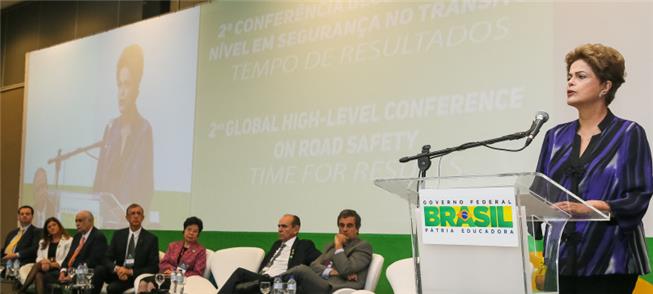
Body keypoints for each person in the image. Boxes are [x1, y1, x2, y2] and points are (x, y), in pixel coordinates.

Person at [536, 43, 653, 294]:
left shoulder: (629, 133)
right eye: (569, 77)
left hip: (612, 259)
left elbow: (639, 196)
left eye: (580, 76)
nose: (570, 83)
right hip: (561, 259)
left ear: (605, 86)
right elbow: (540, 192)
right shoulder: (554, 137)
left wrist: (595, 207)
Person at [93, 44, 153, 220]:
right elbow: (98, 182)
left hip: (128, 222)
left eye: (127, 84)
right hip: (104, 220)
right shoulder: (110, 128)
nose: (122, 92)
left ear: (137, 89)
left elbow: (146, 186)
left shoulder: (144, 130)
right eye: (119, 85)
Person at [218, 214, 321, 293]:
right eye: (279, 226)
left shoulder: (304, 245)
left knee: (240, 273)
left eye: (284, 226)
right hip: (264, 278)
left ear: (296, 229)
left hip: (281, 280)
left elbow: (321, 260)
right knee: (239, 286)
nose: (280, 230)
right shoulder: (277, 244)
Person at [283, 209, 372, 293]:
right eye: (341, 225)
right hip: (322, 284)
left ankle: (271, 280)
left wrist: (338, 246)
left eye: (349, 225)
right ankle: (272, 283)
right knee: (290, 288)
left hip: (339, 288)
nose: (344, 229)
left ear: (357, 229)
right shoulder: (331, 245)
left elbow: (346, 269)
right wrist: (331, 272)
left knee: (301, 270)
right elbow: (314, 265)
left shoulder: (362, 246)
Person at [99, 203, 159, 294]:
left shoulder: (151, 239)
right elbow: (107, 258)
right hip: (118, 273)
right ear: (127, 217)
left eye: (139, 213)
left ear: (142, 218)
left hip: (135, 277)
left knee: (112, 288)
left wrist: (129, 271)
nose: (136, 216)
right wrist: (117, 269)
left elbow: (154, 267)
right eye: (133, 213)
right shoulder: (118, 235)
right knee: (99, 270)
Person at [137, 217, 207, 293]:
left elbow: (198, 272)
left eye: (195, 231)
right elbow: (163, 263)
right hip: (167, 276)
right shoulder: (173, 245)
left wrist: (174, 273)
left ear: (198, 234)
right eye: (189, 229)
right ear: (184, 231)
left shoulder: (200, 250)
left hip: (183, 280)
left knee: (151, 284)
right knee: (143, 282)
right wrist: (171, 271)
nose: (191, 233)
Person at [57, 211, 108, 294]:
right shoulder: (77, 236)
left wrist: (73, 274)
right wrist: (63, 271)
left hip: (84, 272)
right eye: (76, 221)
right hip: (70, 271)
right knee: (46, 276)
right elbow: (69, 256)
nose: (77, 224)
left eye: (80, 221)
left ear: (90, 221)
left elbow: (93, 261)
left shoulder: (98, 236)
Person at [18, 217, 72, 294]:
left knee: (38, 274)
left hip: (59, 270)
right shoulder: (43, 242)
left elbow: (67, 259)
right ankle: (22, 290)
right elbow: (38, 257)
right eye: (49, 227)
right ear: (47, 230)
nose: (52, 228)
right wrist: (43, 262)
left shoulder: (68, 241)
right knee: (38, 273)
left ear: (59, 226)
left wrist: (51, 265)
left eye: (54, 225)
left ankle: (22, 290)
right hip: (44, 268)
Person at [2, 205, 42, 270]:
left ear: (32, 217)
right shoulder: (12, 233)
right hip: (5, 262)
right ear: (18, 217)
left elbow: (35, 249)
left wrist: (16, 255)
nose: (24, 215)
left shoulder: (37, 231)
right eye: (22, 214)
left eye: (27, 214)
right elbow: (5, 249)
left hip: (22, 263)